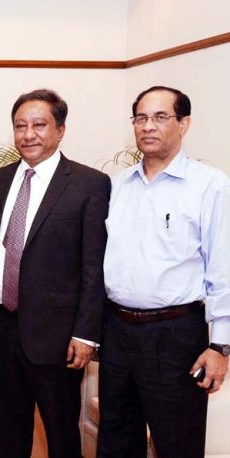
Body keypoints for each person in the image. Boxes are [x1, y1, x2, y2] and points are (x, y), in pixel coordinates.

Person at [98, 86, 230, 458]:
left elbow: (223, 267)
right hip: (118, 331)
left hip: (175, 335)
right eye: (141, 118)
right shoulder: (118, 185)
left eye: (160, 117)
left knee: (177, 441)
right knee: (117, 438)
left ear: (183, 123)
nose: (148, 127)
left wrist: (220, 345)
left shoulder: (210, 185)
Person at [0, 89, 109, 458]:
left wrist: (86, 333)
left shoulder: (89, 184)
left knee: (60, 433)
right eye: (20, 126)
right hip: (0, 328)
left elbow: (93, 266)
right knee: (6, 428)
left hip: (58, 334)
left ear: (61, 130)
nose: (28, 134)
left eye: (39, 125)